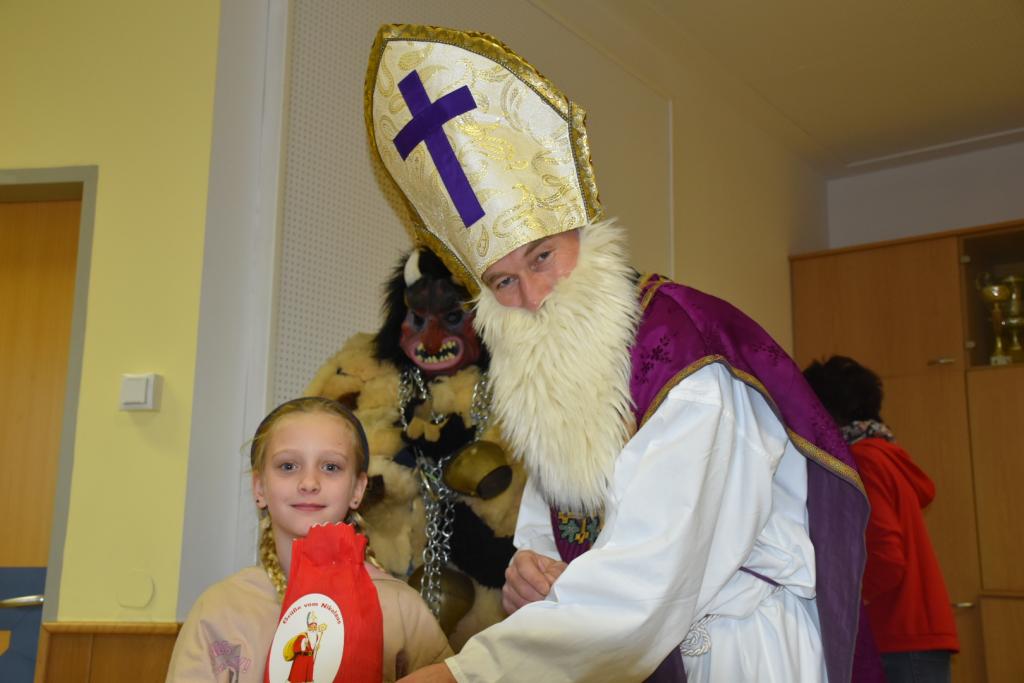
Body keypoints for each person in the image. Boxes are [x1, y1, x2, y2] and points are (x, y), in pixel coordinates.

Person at [365, 24, 873, 683]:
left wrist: (467, 675)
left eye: (542, 257)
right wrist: (528, 572)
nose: (534, 299)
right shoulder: (554, 375)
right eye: (504, 283)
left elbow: (648, 578)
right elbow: (554, 532)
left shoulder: (686, 359)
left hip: (737, 650)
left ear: (581, 229)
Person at [166, 397, 452, 682]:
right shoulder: (221, 609)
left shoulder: (401, 607)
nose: (309, 483)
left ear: (357, 489)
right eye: (288, 466)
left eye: (331, 467)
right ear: (260, 487)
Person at [804, 356, 959, 683]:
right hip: (914, 632)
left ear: (828, 412)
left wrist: (842, 604)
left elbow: (886, 557)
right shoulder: (882, 454)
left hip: (898, 633)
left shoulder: (863, 461)